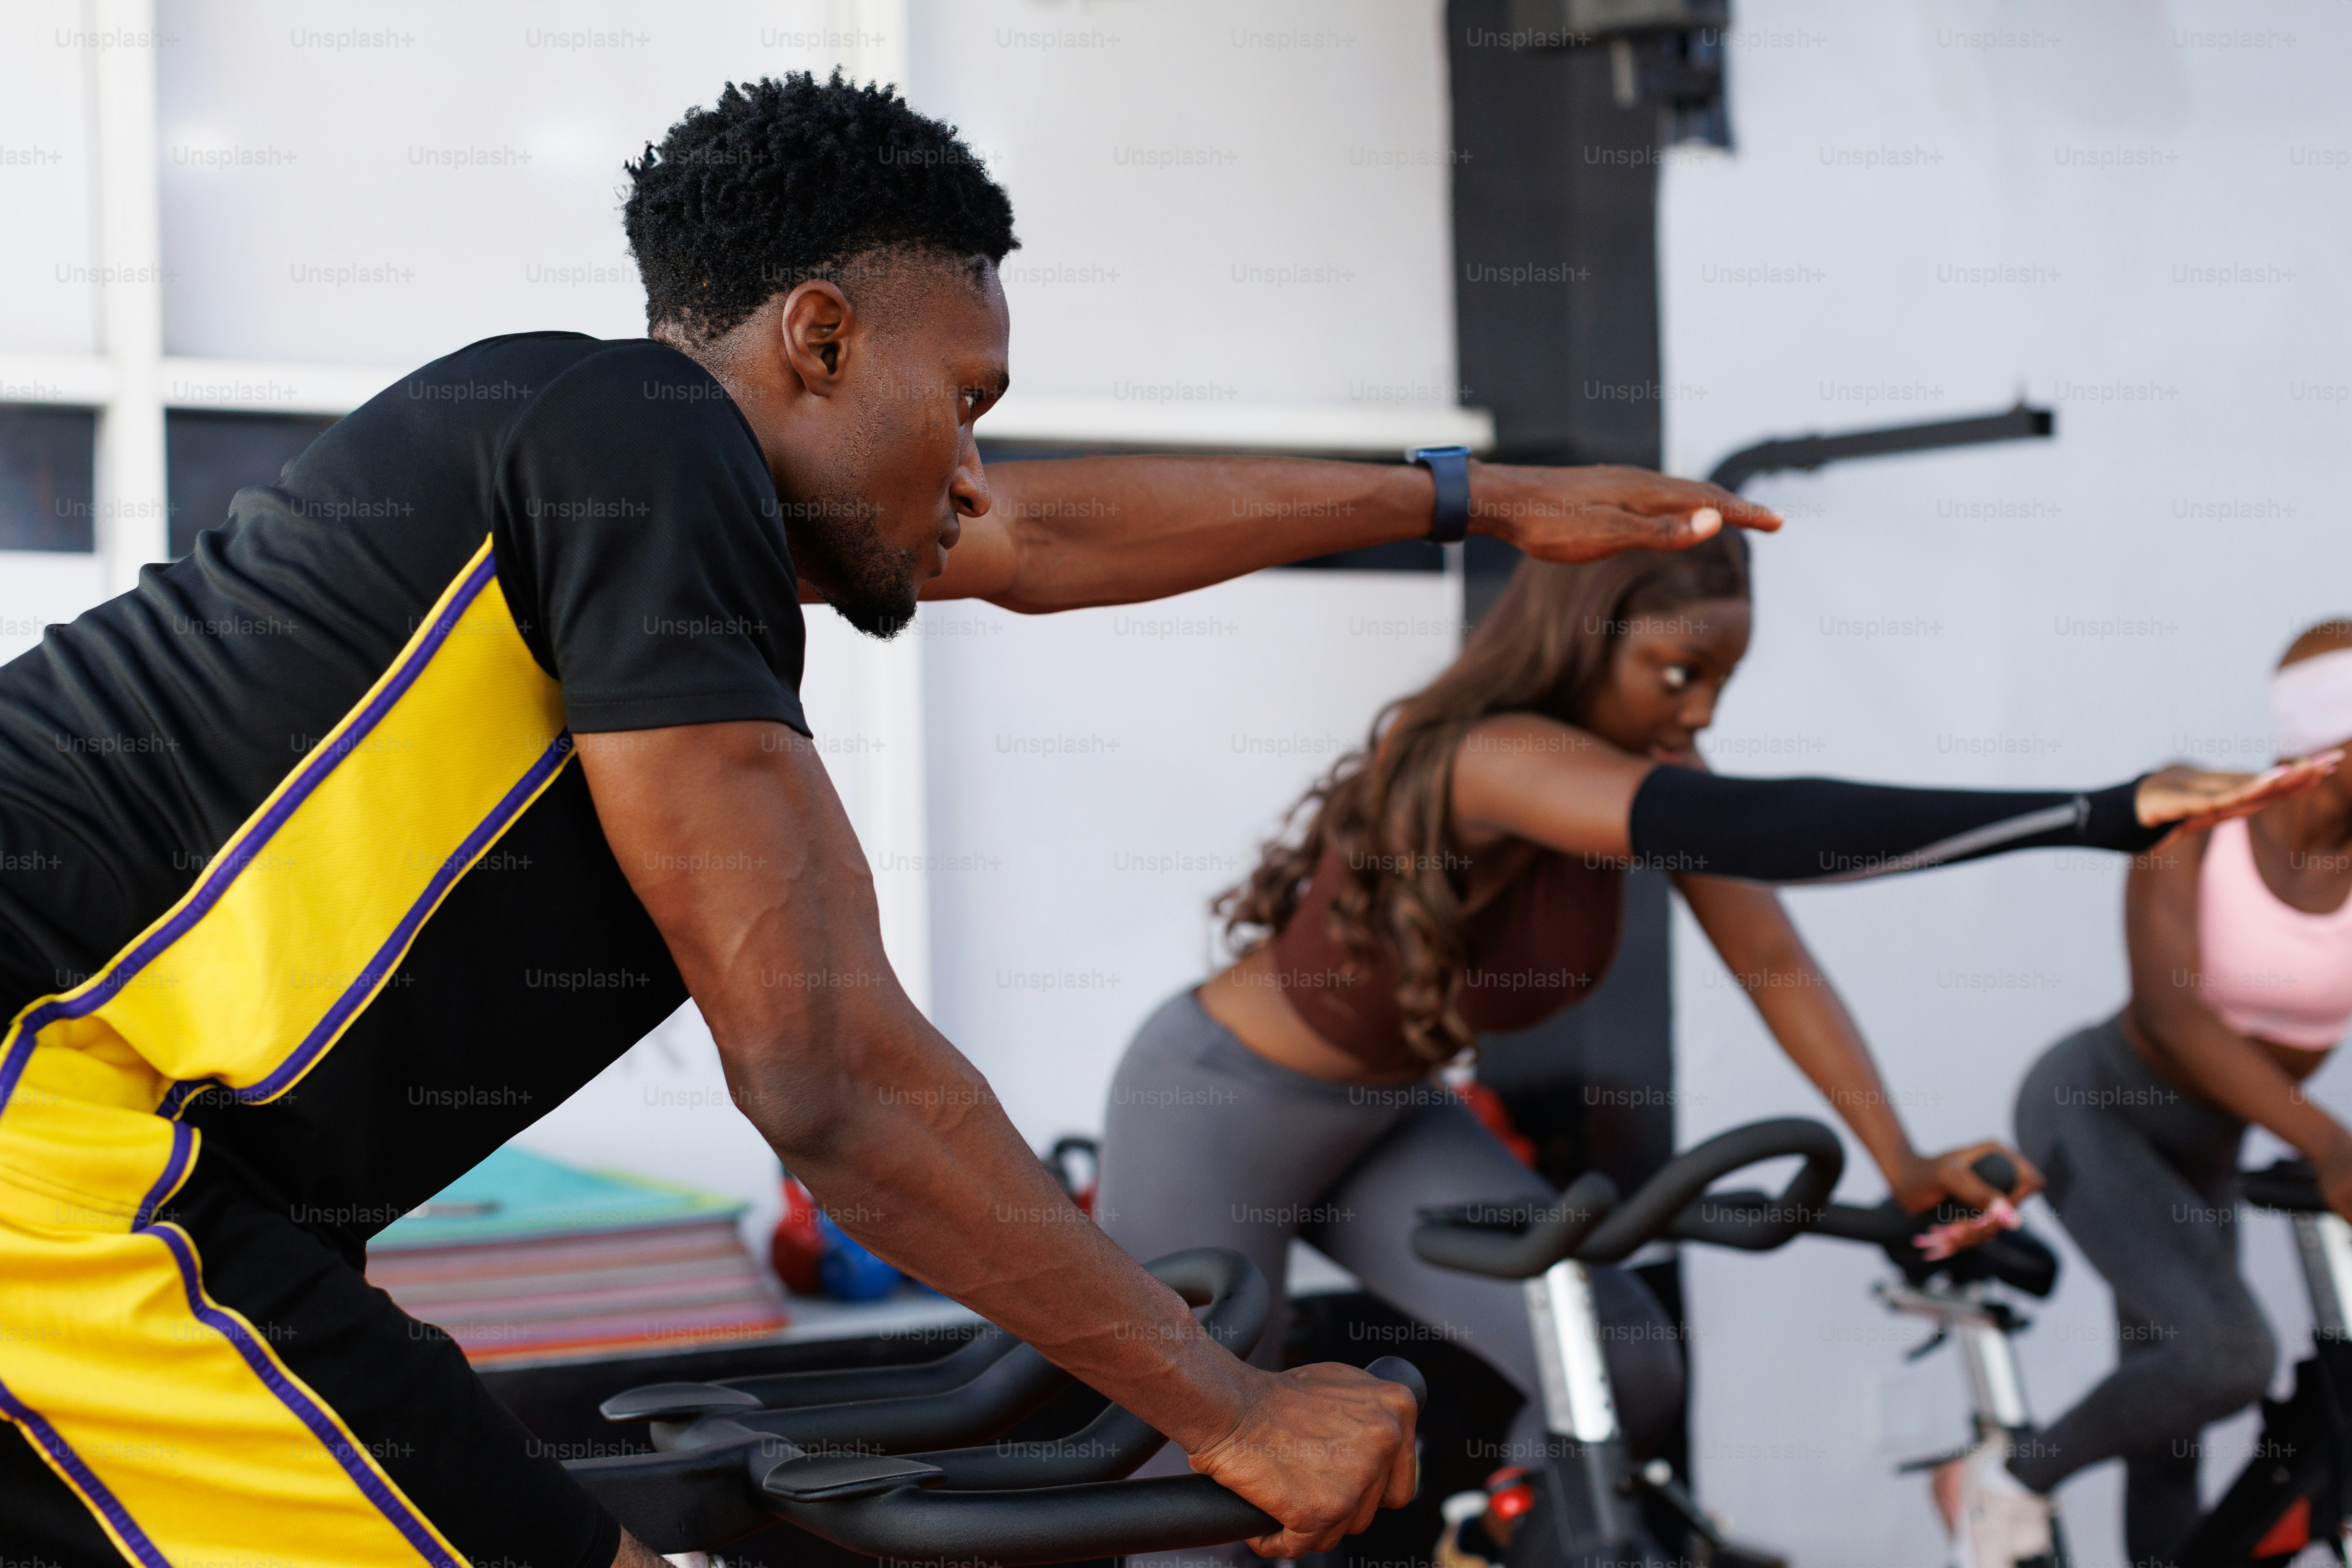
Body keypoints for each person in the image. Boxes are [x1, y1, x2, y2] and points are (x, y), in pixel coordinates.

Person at [0, 74, 1778, 1568]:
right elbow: (828, 1073)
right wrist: (1231, 1406)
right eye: (970, 400)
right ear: (821, 337)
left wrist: (1465, 496)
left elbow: (1048, 544)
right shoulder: (637, 437)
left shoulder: (588, 469)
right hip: (59, 1154)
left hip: (134, 1165)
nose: (980, 468)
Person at [1096, 537, 2329, 1526]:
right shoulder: (1499, 757)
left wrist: (1900, 1165)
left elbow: (1777, 961)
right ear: (1584, 640)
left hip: (1387, 1122)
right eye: (1675, 673)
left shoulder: (1651, 767)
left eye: (1722, 685)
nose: (1695, 712)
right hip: (1222, 1103)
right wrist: (2100, 812)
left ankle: (1498, 1535)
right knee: (1186, 1474)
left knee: (1624, 1360)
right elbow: (1781, 826)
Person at [1975, 621, 2352, 1568]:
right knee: (2224, 1359)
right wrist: (2330, 1141)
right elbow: (2174, 1012)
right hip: (2097, 1108)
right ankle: (2008, 1480)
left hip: (2206, 1148)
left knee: (2171, 1437)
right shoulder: (2199, 811)